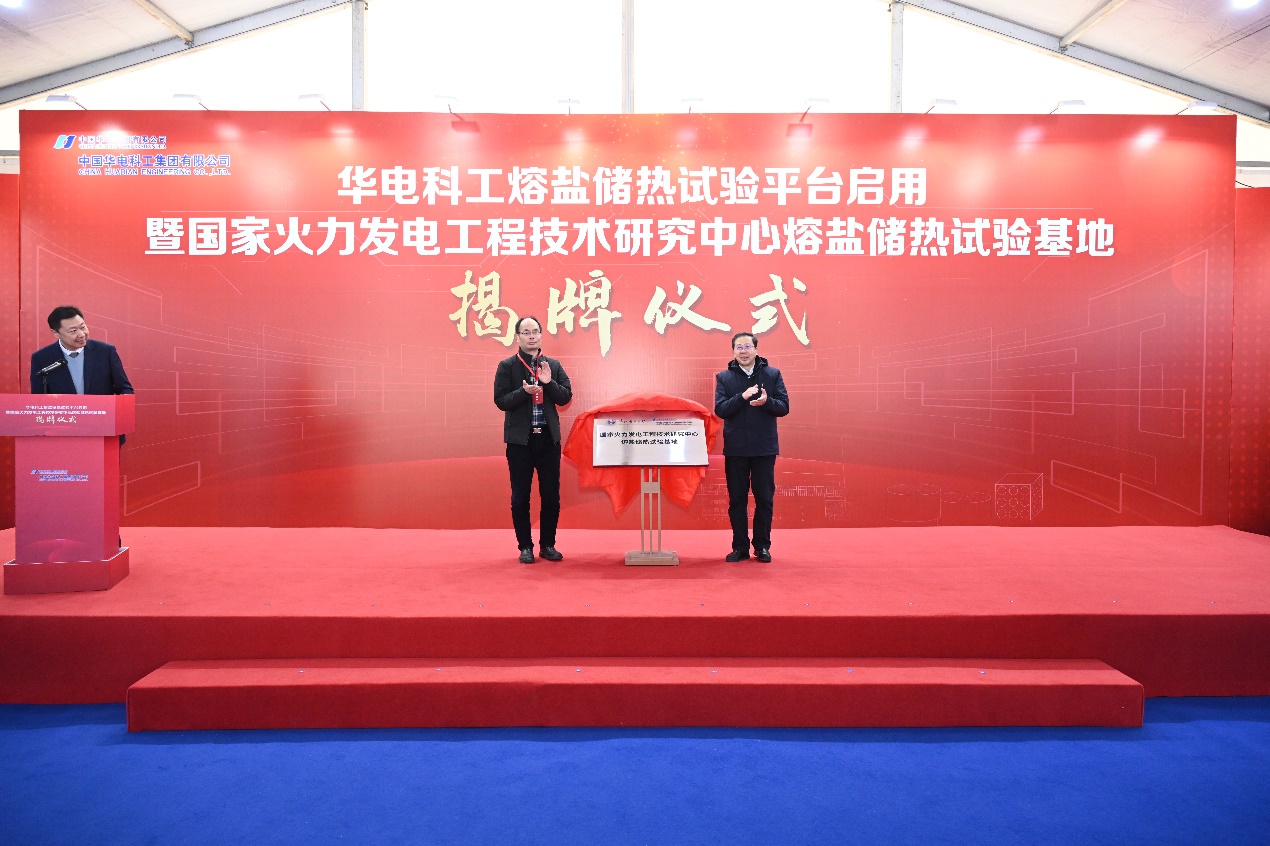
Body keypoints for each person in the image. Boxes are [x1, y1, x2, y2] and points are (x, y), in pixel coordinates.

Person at [493, 316, 573, 564]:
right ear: (518, 336)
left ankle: (547, 545)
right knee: (520, 497)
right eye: (526, 332)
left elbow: (565, 397)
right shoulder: (507, 366)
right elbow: (500, 401)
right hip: (520, 442)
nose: (531, 336)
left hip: (548, 441)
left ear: (540, 335)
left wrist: (549, 383)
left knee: (551, 497)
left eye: (535, 331)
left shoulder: (553, 366)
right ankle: (525, 547)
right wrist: (523, 392)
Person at [713, 332, 789, 563]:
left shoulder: (772, 374)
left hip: (764, 448)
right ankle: (740, 547)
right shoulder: (724, 377)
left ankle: (762, 546)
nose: (743, 351)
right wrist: (741, 397)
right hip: (736, 449)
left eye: (747, 346)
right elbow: (720, 409)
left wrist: (767, 402)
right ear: (733, 351)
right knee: (737, 500)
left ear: (756, 349)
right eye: (739, 347)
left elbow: (784, 406)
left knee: (764, 499)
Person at [30, 306, 133, 397]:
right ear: (56, 333)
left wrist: (125, 399)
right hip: (64, 413)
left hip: (100, 412)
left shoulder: (105, 352)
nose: (82, 334)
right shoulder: (42, 358)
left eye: (83, 327)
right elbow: (38, 398)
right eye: (73, 331)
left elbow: (124, 388)